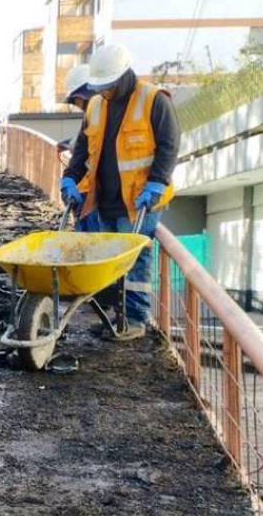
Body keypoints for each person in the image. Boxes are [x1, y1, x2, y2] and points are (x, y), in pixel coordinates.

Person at [60, 44, 180, 341]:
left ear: (125, 75)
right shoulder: (96, 105)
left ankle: (136, 321)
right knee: (109, 262)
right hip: (106, 199)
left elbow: (169, 144)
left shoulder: (153, 100)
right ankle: (116, 319)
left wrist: (158, 181)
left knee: (135, 261)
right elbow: (83, 151)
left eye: (110, 85)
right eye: (102, 87)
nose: (106, 91)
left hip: (139, 200)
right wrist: (70, 179)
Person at [63, 64, 101, 233]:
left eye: (76, 99)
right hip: (86, 191)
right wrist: (69, 178)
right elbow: (81, 148)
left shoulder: (107, 115)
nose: (77, 105)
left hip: (101, 197)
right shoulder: (92, 116)